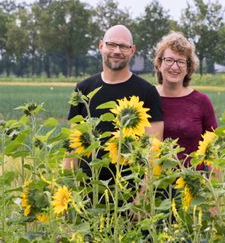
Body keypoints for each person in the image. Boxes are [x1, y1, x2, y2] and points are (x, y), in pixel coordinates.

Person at [65, 25, 164, 180]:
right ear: (101, 46)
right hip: (87, 191)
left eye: (124, 46)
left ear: (132, 50)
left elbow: (154, 150)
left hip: (130, 193)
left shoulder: (147, 92)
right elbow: (72, 147)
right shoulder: (83, 89)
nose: (117, 51)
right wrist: (69, 183)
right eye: (111, 44)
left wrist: (141, 199)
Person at [153, 32, 217, 168]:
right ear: (159, 63)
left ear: (188, 68)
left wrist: (216, 187)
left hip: (193, 184)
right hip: (155, 185)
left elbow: (213, 152)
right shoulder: (147, 98)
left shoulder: (201, 102)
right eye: (169, 60)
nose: (175, 67)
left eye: (181, 61)